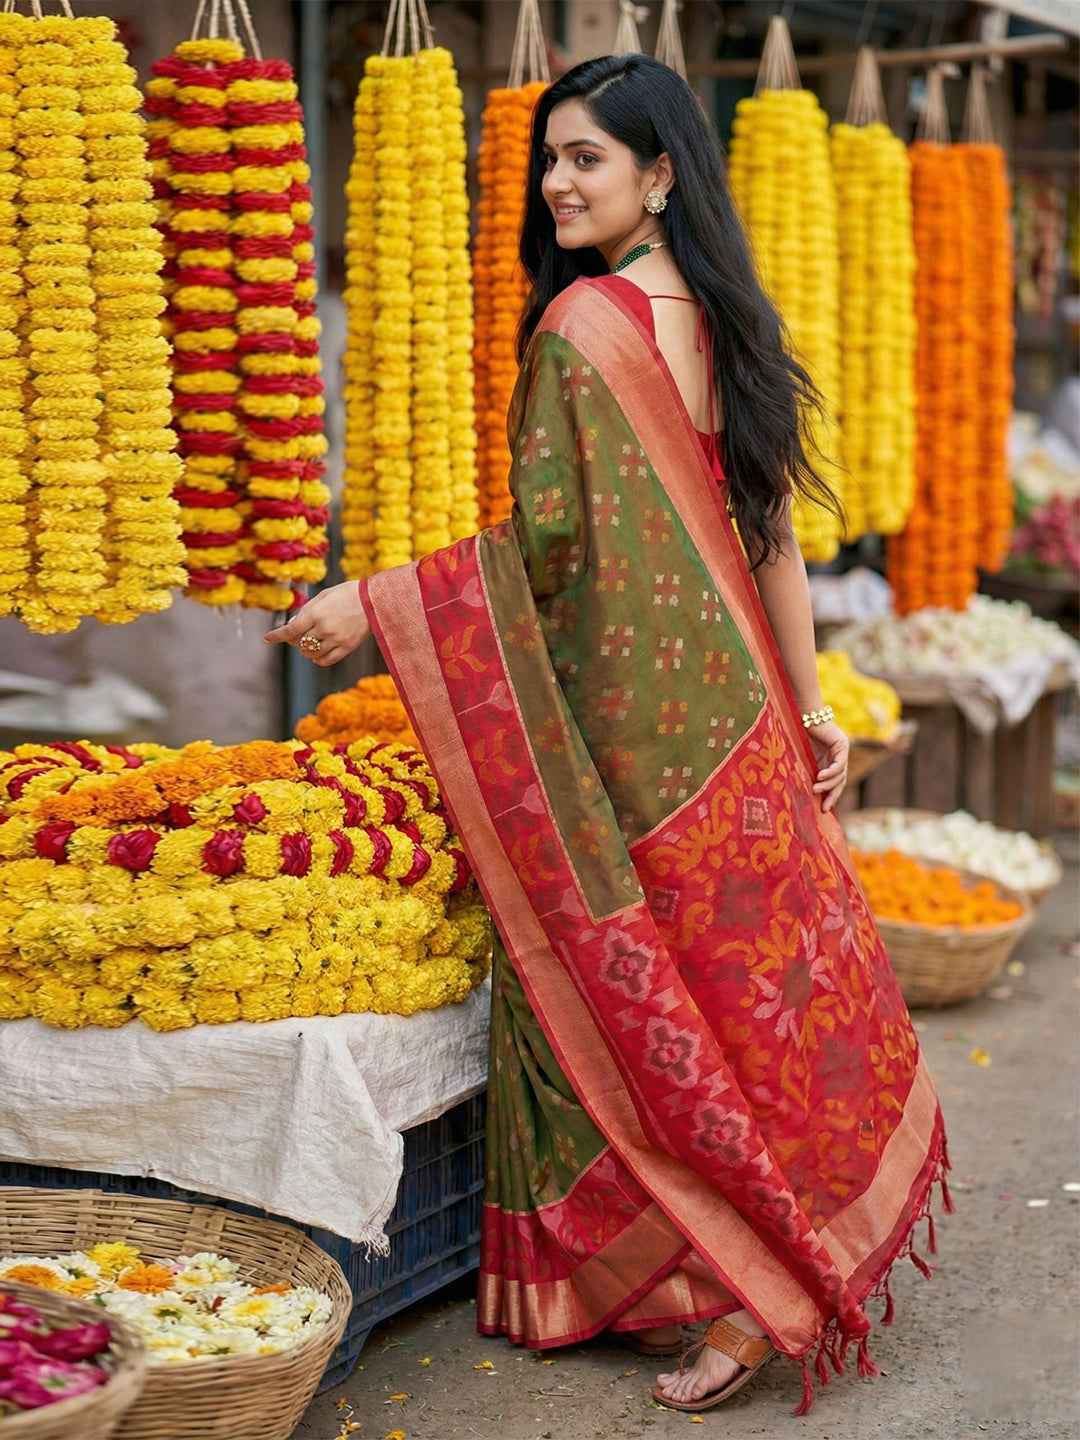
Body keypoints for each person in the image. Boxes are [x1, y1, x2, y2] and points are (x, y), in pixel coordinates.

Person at [266, 53, 947, 1414]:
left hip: (642, 756)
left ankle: (755, 1296)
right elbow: (768, 532)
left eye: (586, 158)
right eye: (552, 158)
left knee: (667, 1031)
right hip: (739, 729)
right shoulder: (719, 318)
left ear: (660, 175)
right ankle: (763, 1264)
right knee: (748, 1016)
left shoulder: (585, 331)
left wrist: (380, 605)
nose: (557, 182)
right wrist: (808, 705)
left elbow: (546, 560)